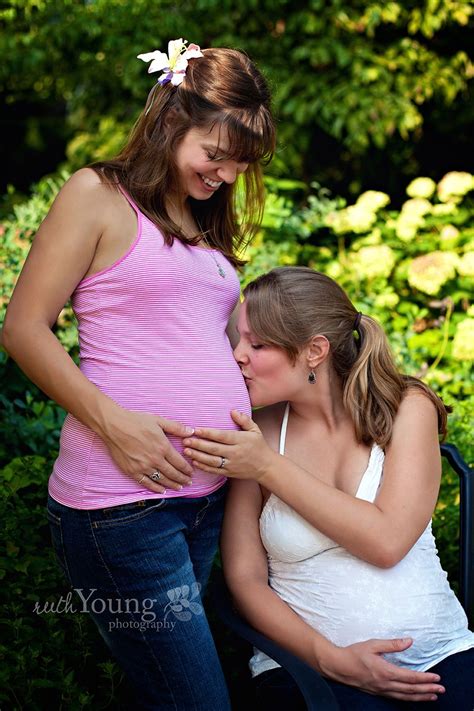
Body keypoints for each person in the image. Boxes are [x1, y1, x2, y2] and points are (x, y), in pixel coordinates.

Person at [1, 39, 275, 710]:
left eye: (240, 164)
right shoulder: (97, 195)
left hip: (206, 502)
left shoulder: (200, 221)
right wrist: (113, 422)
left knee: (168, 690)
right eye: (217, 155)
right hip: (123, 510)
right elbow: (23, 328)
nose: (229, 176)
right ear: (171, 119)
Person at [182, 266, 474, 710]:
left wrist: (266, 467)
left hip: (442, 658)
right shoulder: (255, 429)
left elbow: (386, 541)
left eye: (257, 345)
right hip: (307, 670)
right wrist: (330, 659)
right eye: (238, 339)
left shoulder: (406, 409)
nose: (238, 355)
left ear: (315, 351)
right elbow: (246, 578)